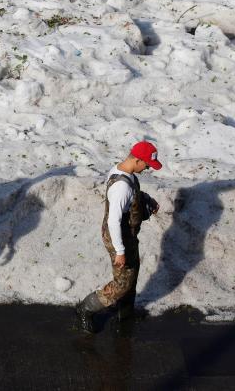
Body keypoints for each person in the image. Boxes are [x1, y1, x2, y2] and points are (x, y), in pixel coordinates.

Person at [77, 141, 162, 333]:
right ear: (137, 159)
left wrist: (147, 200)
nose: (148, 168)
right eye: (147, 165)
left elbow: (134, 194)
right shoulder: (121, 187)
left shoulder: (124, 172)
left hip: (127, 235)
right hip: (118, 238)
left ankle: (125, 314)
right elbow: (113, 222)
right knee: (122, 283)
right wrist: (120, 251)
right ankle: (85, 309)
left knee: (132, 273)